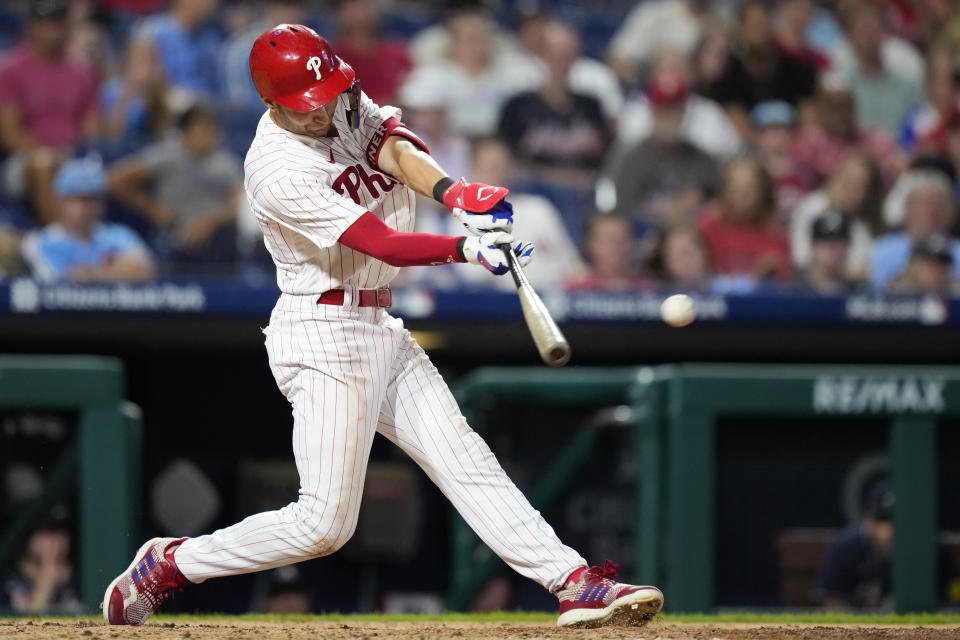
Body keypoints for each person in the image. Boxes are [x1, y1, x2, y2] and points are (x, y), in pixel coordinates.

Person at [101, 25, 663, 629]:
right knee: (323, 525)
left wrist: (456, 190)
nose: (323, 112)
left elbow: (392, 148)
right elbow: (383, 243)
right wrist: (465, 250)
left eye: (328, 96)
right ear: (272, 103)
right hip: (322, 331)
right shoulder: (274, 167)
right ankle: (171, 564)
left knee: (464, 458)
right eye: (306, 106)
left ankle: (573, 582)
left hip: (378, 323)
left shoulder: (338, 98)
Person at [414, 137, 584, 291]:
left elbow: (574, 268)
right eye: (491, 167)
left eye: (504, 166)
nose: (499, 173)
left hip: (546, 302)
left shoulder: (538, 209)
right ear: (472, 170)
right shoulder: (448, 223)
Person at [108, 104, 243, 274]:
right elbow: (115, 180)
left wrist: (209, 223)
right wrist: (152, 208)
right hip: (173, 231)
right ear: (185, 132)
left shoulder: (226, 163)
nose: (209, 134)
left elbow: (240, 203)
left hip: (217, 235)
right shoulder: (167, 156)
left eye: (212, 128)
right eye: (201, 128)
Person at [0, 0, 101, 224]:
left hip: (73, 155)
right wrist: (51, 154)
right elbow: (10, 132)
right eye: (46, 24)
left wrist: (75, 155)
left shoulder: (82, 72)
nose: (53, 32)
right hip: (23, 159)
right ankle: (59, 239)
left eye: (58, 24)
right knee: (45, 164)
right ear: (32, 27)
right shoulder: (10, 70)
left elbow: (92, 128)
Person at [602, 71, 722, 229]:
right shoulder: (631, 158)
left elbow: (720, 210)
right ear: (652, 111)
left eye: (675, 109)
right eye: (664, 109)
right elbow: (622, 212)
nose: (670, 117)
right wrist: (672, 212)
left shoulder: (704, 161)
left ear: (685, 112)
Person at [497, 20, 610, 183]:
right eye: (556, 55)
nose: (562, 62)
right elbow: (506, 159)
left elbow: (604, 160)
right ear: (542, 56)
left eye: (568, 54)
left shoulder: (591, 106)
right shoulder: (517, 107)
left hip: (584, 192)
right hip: (533, 191)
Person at [20, 157, 155, 283]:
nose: (87, 207)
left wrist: (91, 274)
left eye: (93, 198)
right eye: (79, 199)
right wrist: (114, 270)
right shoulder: (39, 242)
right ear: (59, 202)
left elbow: (146, 271)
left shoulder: (120, 235)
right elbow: (57, 284)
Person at [706, 1, 818, 137]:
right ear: (741, 30)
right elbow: (740, 130)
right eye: (754, 25)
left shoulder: (799, 72)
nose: (760, 31)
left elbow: (809, 123)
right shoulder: (728, 78)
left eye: (764, 23)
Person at [791, 72, 902, 186]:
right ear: (819, 109)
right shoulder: (807, 142)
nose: (840, 114)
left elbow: (891, 173)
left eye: (846, 106)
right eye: (833, 106)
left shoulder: (875, 140)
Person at [833, 2, 924, 139]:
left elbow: (920, 125)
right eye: (864, 29)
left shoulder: (907, 81)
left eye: (875, 27)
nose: (871, 36)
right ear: (849, 36)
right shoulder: (840, 85)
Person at [790, 152, 884, 280]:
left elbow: (867, 268)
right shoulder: (813, 208)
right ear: (836, 178)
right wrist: (841, 270)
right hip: (812, 286)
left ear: (868, 193)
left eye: (860, 187)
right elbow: (801, 259)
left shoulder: (864, 222)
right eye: (847, 182)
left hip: (852, 289)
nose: (851, 191)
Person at [698, 156, 793, 282]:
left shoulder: (776, 235)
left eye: (749, 190)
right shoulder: (708, 226)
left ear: (763, 194)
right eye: (735, 189)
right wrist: (752, 277)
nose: (741, 197)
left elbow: (785, 283)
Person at [872, 170, 960, 290]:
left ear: (951, 212)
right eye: (925, 203)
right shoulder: (882, 250)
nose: (932, 211)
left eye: (940, 204)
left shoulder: (958, 251)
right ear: (908, 209)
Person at [131, 0, 223, 100]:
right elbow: (140, 89)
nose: (211, 2)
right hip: (165, 110)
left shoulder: (212, 38)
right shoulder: (151, 32)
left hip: (206, 110)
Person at [606, 0, 711, 85]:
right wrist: (645, 85)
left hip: (697, 96)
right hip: (649, 94)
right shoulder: (654, 12)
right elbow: (617, 59)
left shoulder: (719, 21)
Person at [331, 0, 412, 107]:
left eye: (366, 6)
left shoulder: (398, 53)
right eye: (354, 7)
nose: (361, 13)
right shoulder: (330, 56)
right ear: (342, 13)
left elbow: (411, 91)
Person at [0, 522, 82, 615]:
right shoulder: (10, 579)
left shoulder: (79, 575)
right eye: (47, 531)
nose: (53, 540)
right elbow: (30, 620)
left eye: (59, 532)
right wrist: (48, 569)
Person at [565, 213, 650, 291]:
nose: (615, 247)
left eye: (622, 240)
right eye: (607, 241)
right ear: (590, 245)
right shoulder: (576, 289)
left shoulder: (647, 290)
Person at [795, 209, 856, 294]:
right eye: (825, 241)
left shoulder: (859, 294)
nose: (832, 248)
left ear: (848, 245)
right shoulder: (794, 292)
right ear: (813, 246)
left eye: (838, 241)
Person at [888, 233, 960, 295]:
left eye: (942, 266)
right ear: (913, 266)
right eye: (930, 265)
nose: (937, 271)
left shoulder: (956, 293)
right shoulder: (896, 294)